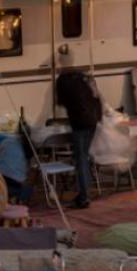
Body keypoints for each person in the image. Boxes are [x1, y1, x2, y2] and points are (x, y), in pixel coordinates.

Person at [55, 62, 102, 209]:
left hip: (79, 123)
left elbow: (60, 102)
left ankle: (83, 196)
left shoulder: (63, 81)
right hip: (93, 120)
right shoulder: (85, 78)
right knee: (85, 156)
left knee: (81, 158)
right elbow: (97, 97)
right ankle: (86, 190)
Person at [0, 134, 33, 205]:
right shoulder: (26, 147)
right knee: (29, 189)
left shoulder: (6, 141)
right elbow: (25, 174)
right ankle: (15, 197)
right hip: (14, 183)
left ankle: (6, 195)